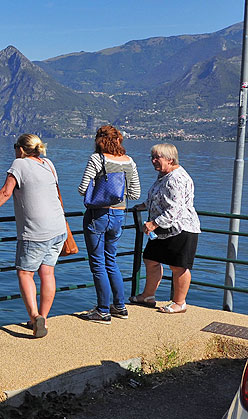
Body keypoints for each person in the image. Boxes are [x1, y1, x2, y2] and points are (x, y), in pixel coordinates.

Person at [0, 134, 68, 338]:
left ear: (22, 150)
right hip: (58, 228)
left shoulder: (19, 164)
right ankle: (44, 318)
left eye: (16, 146)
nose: (14, 150)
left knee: (25, 273)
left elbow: (6, 193)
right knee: (48, 273)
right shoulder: (48, 163)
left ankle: (34, 317)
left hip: (36, 231)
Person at [77, 125, 141, 323]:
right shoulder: (129, 162)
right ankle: (119, 307)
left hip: (98, 215)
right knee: (111, 261)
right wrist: (116, 193)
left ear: (99, 141)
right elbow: (135, 194)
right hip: (119, 216)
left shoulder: (97, 159)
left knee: (98, 264)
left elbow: (82, 189)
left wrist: (100, 192)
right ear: (119, 140)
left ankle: (103, 310)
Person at [129, 143, 200, 313]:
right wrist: (144, 205)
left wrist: (154, 223)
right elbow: (159, 198)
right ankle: (147, 296)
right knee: (151, 259)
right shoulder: (164, 175)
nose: (153, 161)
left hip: (181, 228)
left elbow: (176, 208)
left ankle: (179, 302)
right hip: (163, 228)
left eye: (157, 157)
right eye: (152, 157)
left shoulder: (176, 178)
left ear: (170, 159)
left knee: (178, 266)